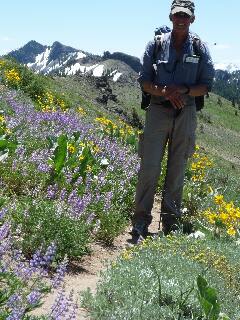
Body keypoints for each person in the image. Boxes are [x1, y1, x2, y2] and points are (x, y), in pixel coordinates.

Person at [131, 0, 214, 242]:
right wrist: (165, 91)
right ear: (170, 17)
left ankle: (170, 222)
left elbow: (206, 86)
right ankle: (140, 220)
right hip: (158, 109)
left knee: (177, 169)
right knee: (150, 168)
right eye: (177, 14)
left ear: (192, 19)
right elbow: (144, 81)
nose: (181, 19)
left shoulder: (200, 49)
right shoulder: (155, 45)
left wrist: (184, 91)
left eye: (185, 16)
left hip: (186, 112)